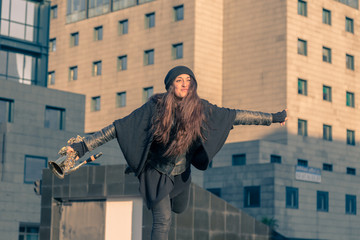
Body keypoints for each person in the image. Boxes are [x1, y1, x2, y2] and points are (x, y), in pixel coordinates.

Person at [67, 66, 287, 240]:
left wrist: (273, 118)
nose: (184, 84)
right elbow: (117, 128)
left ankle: (171, 198)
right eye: (179, 80)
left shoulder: (202, 109)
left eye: (188, 81)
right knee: (162, 221)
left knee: (180, 209)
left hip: (181, 174)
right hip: (156, 173)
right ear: (171, 85)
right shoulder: (155, 107)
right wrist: (83, 146)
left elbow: (236, 116)